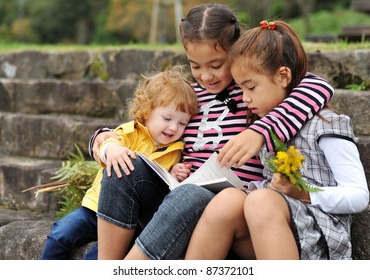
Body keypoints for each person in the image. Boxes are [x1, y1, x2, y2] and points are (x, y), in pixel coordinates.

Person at [92, 3, 335, 260]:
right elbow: (142, 123)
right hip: (175, 199)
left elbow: (318, 87)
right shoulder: (187, 95)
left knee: (191, 194)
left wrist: (259, 132)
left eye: (217, 65)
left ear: (236, 52)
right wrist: (104, 138)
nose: (206, 76)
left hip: (224, 209)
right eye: (195, 66)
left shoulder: (251, 91)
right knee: (122, 168)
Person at [184, 20, 369, 260]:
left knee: (260, 201)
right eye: (240, 89)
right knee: (229, 199)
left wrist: (304, 194)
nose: (245, 99)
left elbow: (359, 196)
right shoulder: (267, 126)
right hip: (277, 228)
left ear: (283, 76)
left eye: (251, 88)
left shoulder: (327, 125)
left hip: (321, 237)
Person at [40, 65, 198, 260]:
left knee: (97, 256)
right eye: (167, 118)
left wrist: (174, 174)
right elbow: (107, 145)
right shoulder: (130, 132)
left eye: (183, 123)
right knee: (60, 234)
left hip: (130, 221)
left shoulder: (176, 150)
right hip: (94, 208)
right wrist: (111, 149)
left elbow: (158, 188)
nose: (174, 127)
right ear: (147, 111)